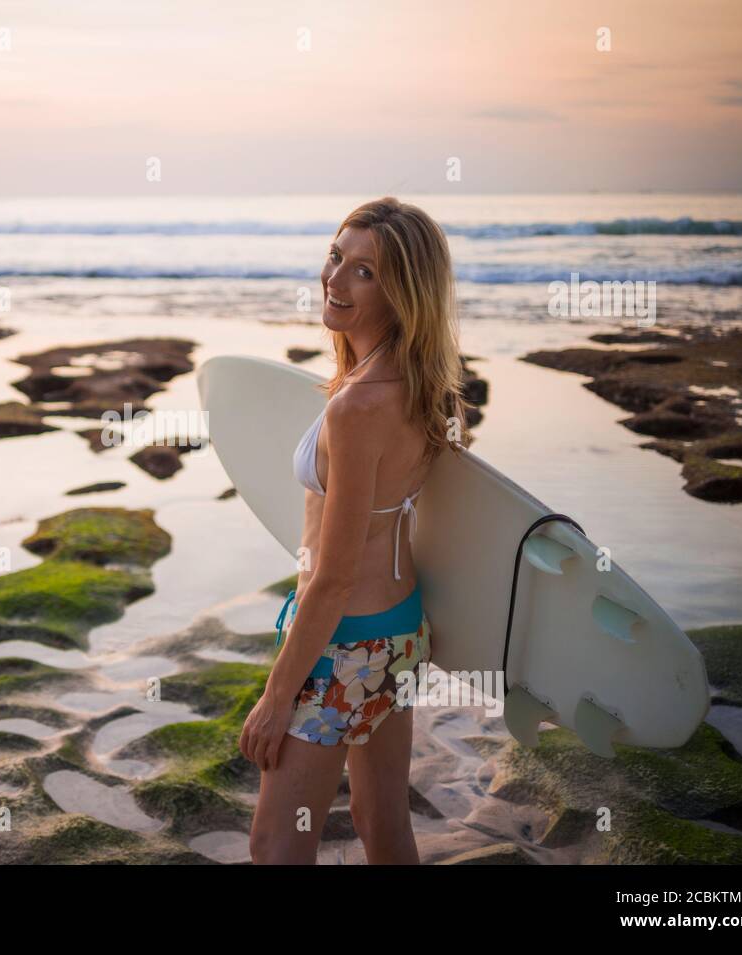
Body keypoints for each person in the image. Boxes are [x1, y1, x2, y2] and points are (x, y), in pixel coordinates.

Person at [241, 197, 473, 864]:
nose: (335, 280)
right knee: (381, 817)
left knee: (275, 844)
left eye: (364, 272)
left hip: (339, 646)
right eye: (336, 257)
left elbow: (335, 573)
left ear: (404, 292)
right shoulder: (422, 385)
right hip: (399, 631)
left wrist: (276, 696)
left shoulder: (358, 405)